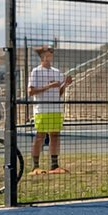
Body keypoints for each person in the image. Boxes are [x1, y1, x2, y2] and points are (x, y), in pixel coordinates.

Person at [26, 46, 72, 174]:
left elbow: (59, 93)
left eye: (51, 53)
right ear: (42, 56)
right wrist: (49, 86)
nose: (51, 54)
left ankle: (54, 165)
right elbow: (30, 91)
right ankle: (35, 166)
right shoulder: (36, 71)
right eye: (48, 52)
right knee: (40, 136)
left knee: (55, 136)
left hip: (56, 109)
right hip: (42, 109)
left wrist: (65, 84)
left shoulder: (57, 72)